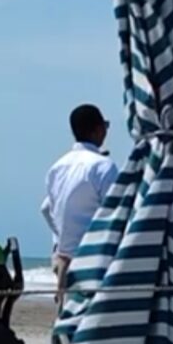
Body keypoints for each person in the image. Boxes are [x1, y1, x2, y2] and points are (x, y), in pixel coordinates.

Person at [41, 105, 118, 298]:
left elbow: (45, 208)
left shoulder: (57, 167)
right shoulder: (103, 166)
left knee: (65, 316)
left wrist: (62, 234)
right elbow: (116, 213)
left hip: (63, 258)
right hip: (93, 259)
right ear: (98, 129)